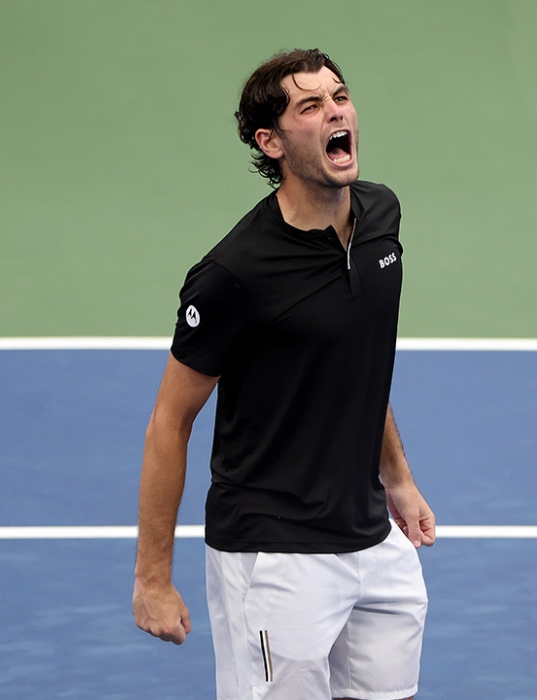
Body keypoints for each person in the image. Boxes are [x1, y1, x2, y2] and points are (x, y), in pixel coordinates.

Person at [132, 48, 435, 700]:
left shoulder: (382, 217)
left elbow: (359, 363)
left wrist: (399, 480)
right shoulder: (234, 275)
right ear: (270, 142)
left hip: (374, 539)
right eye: (311, 105)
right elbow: (169, 419)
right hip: (275, 555)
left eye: (339, 96)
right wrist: (153, 577)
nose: (336, 111)